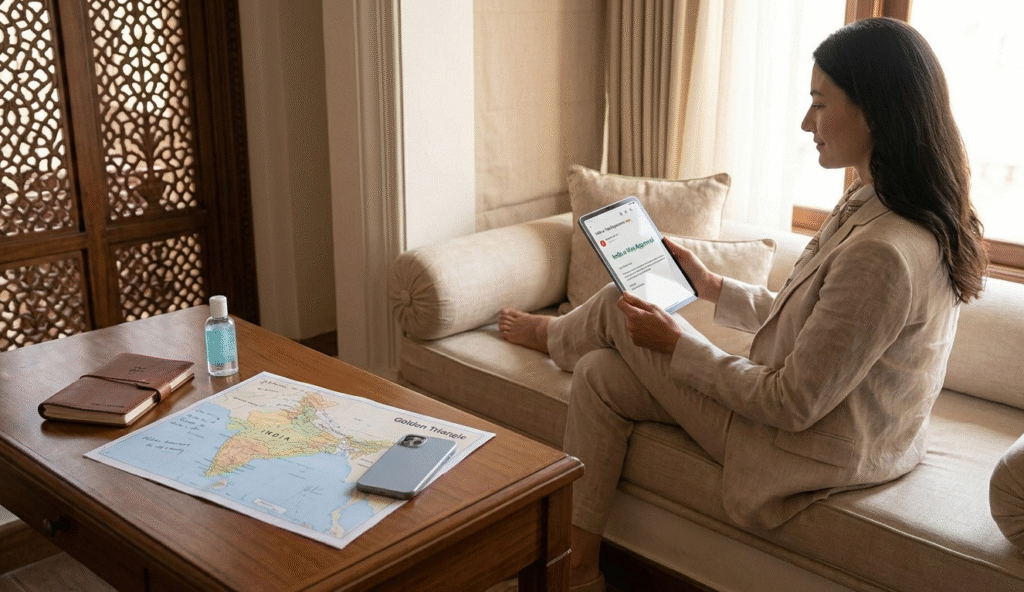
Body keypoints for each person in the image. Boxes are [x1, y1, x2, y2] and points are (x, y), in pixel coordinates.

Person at [497, 17, 987, 592]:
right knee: (601, 374)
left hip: (809, 448)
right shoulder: (878, 203)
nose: (807, 123)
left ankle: (552, 339)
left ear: (874, 111)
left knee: (616, 305)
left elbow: (791, 402)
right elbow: (816, 317)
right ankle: (578, 572)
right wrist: (710, 285)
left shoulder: (884, 250)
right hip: (852, 430)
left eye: (819, 102)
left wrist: (680, 344)